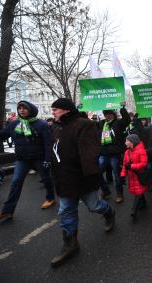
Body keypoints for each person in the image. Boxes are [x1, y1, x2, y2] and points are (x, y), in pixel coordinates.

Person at [49, 98, 115, 267]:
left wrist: (92, 176)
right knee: (65, 210)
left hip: (82, 178)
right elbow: (55, 153)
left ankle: (109, 212)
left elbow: (89, 153)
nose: (53, 112)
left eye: (55, 109)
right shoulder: (57, 128)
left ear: (66, 110)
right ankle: (70, 244)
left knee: (94, 206)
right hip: (64, 179)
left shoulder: (84, 125)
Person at [0, 101, 55, 221]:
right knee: (16, 183)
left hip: (39, 158)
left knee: (46, 179)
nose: (21, 110)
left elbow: (48, 143)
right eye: (19, 108)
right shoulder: (15, 124)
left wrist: (48, 159)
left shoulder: (41, 124)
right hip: (22, 159)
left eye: (24, 108)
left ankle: (50, 198)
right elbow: (3, 135)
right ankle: (7, 211)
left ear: (31, 110)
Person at [98, 107, 131, 203]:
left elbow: (127, 120)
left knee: (117, 175)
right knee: (97, 173)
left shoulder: (118, 123)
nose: (107, 115)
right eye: (105, 114)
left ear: (113, 114)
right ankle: (105, 191)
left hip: (115, 153)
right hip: (103, 153)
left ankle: (119, 194)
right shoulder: (101, 123)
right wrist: (81, 109)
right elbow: (87, 125)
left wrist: (122, 108)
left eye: (109, 113)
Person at [121, 134, 148, 220]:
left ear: (132, 142)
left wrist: (132, 166)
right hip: (131, 176)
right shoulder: (127, 152)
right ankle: (143, 203)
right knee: (139, 191)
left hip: (139, 175)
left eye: (127, 141)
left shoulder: (141, 151)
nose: (125, 143)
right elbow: (125, 165)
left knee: (138, 192)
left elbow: (144, 164)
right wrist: (122, 175)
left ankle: (134, 211)